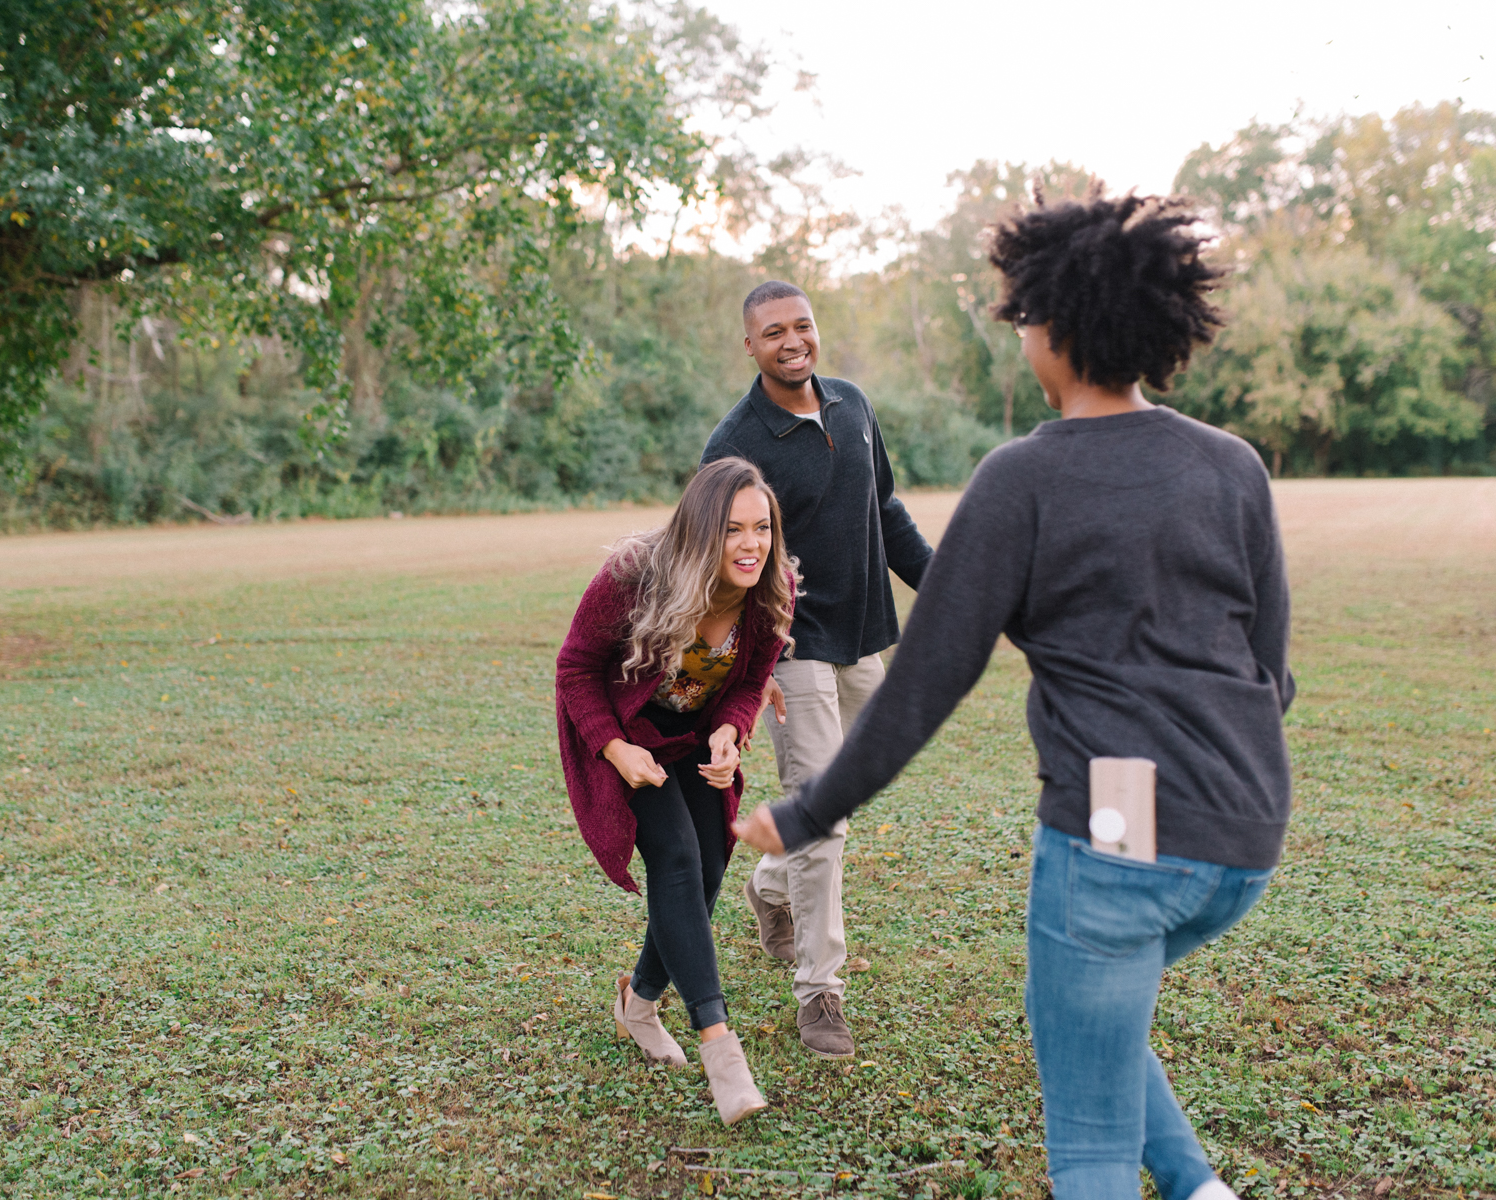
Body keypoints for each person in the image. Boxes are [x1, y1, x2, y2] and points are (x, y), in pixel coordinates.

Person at [734, 192, 1293, 1200]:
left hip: (1115, 833)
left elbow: (926, 684)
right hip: (1246, 831)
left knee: (1085, 1139)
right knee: (1080, 1005)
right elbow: (1274, 674)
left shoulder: (1022, 480)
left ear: (1057, 331)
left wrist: (806, 808)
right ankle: (1196, 1185)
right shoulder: (1232, 466)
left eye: (1025, 318)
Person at [699, 280, 934, 1060]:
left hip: (866, 638)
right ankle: (820, 992)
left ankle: (770, 886)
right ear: (751, 346)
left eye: (802, 326)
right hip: (790, 651)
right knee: (821, 816)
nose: (792, 341)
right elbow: (713, 562)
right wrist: (745, 663)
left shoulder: (852, 406)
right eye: (774, 332)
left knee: (854, 784)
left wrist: (942, 588)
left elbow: (887, 511)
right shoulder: (736, 445)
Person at [554, 456, 797, 1127]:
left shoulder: (772, 587)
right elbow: (575, 664)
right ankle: (721, 1049)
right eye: (733, 530)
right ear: (699, 531)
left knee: (710, 867)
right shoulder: (635, 576)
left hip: (691, 739)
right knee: (676, 859)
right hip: (626, 731)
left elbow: (751, 680)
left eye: (763, 528)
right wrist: (613, 745)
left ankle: (638, 999)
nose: (752, 545)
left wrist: (730, 730)